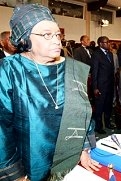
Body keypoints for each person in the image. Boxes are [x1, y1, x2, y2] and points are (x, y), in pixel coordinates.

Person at [0, 4, 101, 181]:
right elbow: (2, 130)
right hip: (28, 166)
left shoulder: (72, 68)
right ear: (25, 40)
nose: (57, 41)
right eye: (47, 35)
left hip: (68, 162)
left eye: (57, 35)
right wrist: (16, 175)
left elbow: (82, 114)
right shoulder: (9, 71)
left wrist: (82, 149)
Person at [91, 36, 115, 134]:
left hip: (110, 84)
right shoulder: (96, 54)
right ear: (100, 44)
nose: (108, 44)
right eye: (106, 42)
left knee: (108, 106)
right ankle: (98, 126)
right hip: (101, 85)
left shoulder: (110, 54)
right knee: (100, 107)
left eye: (109, 42)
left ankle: (108, 122)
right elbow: (94, 72)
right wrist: (95, 87)